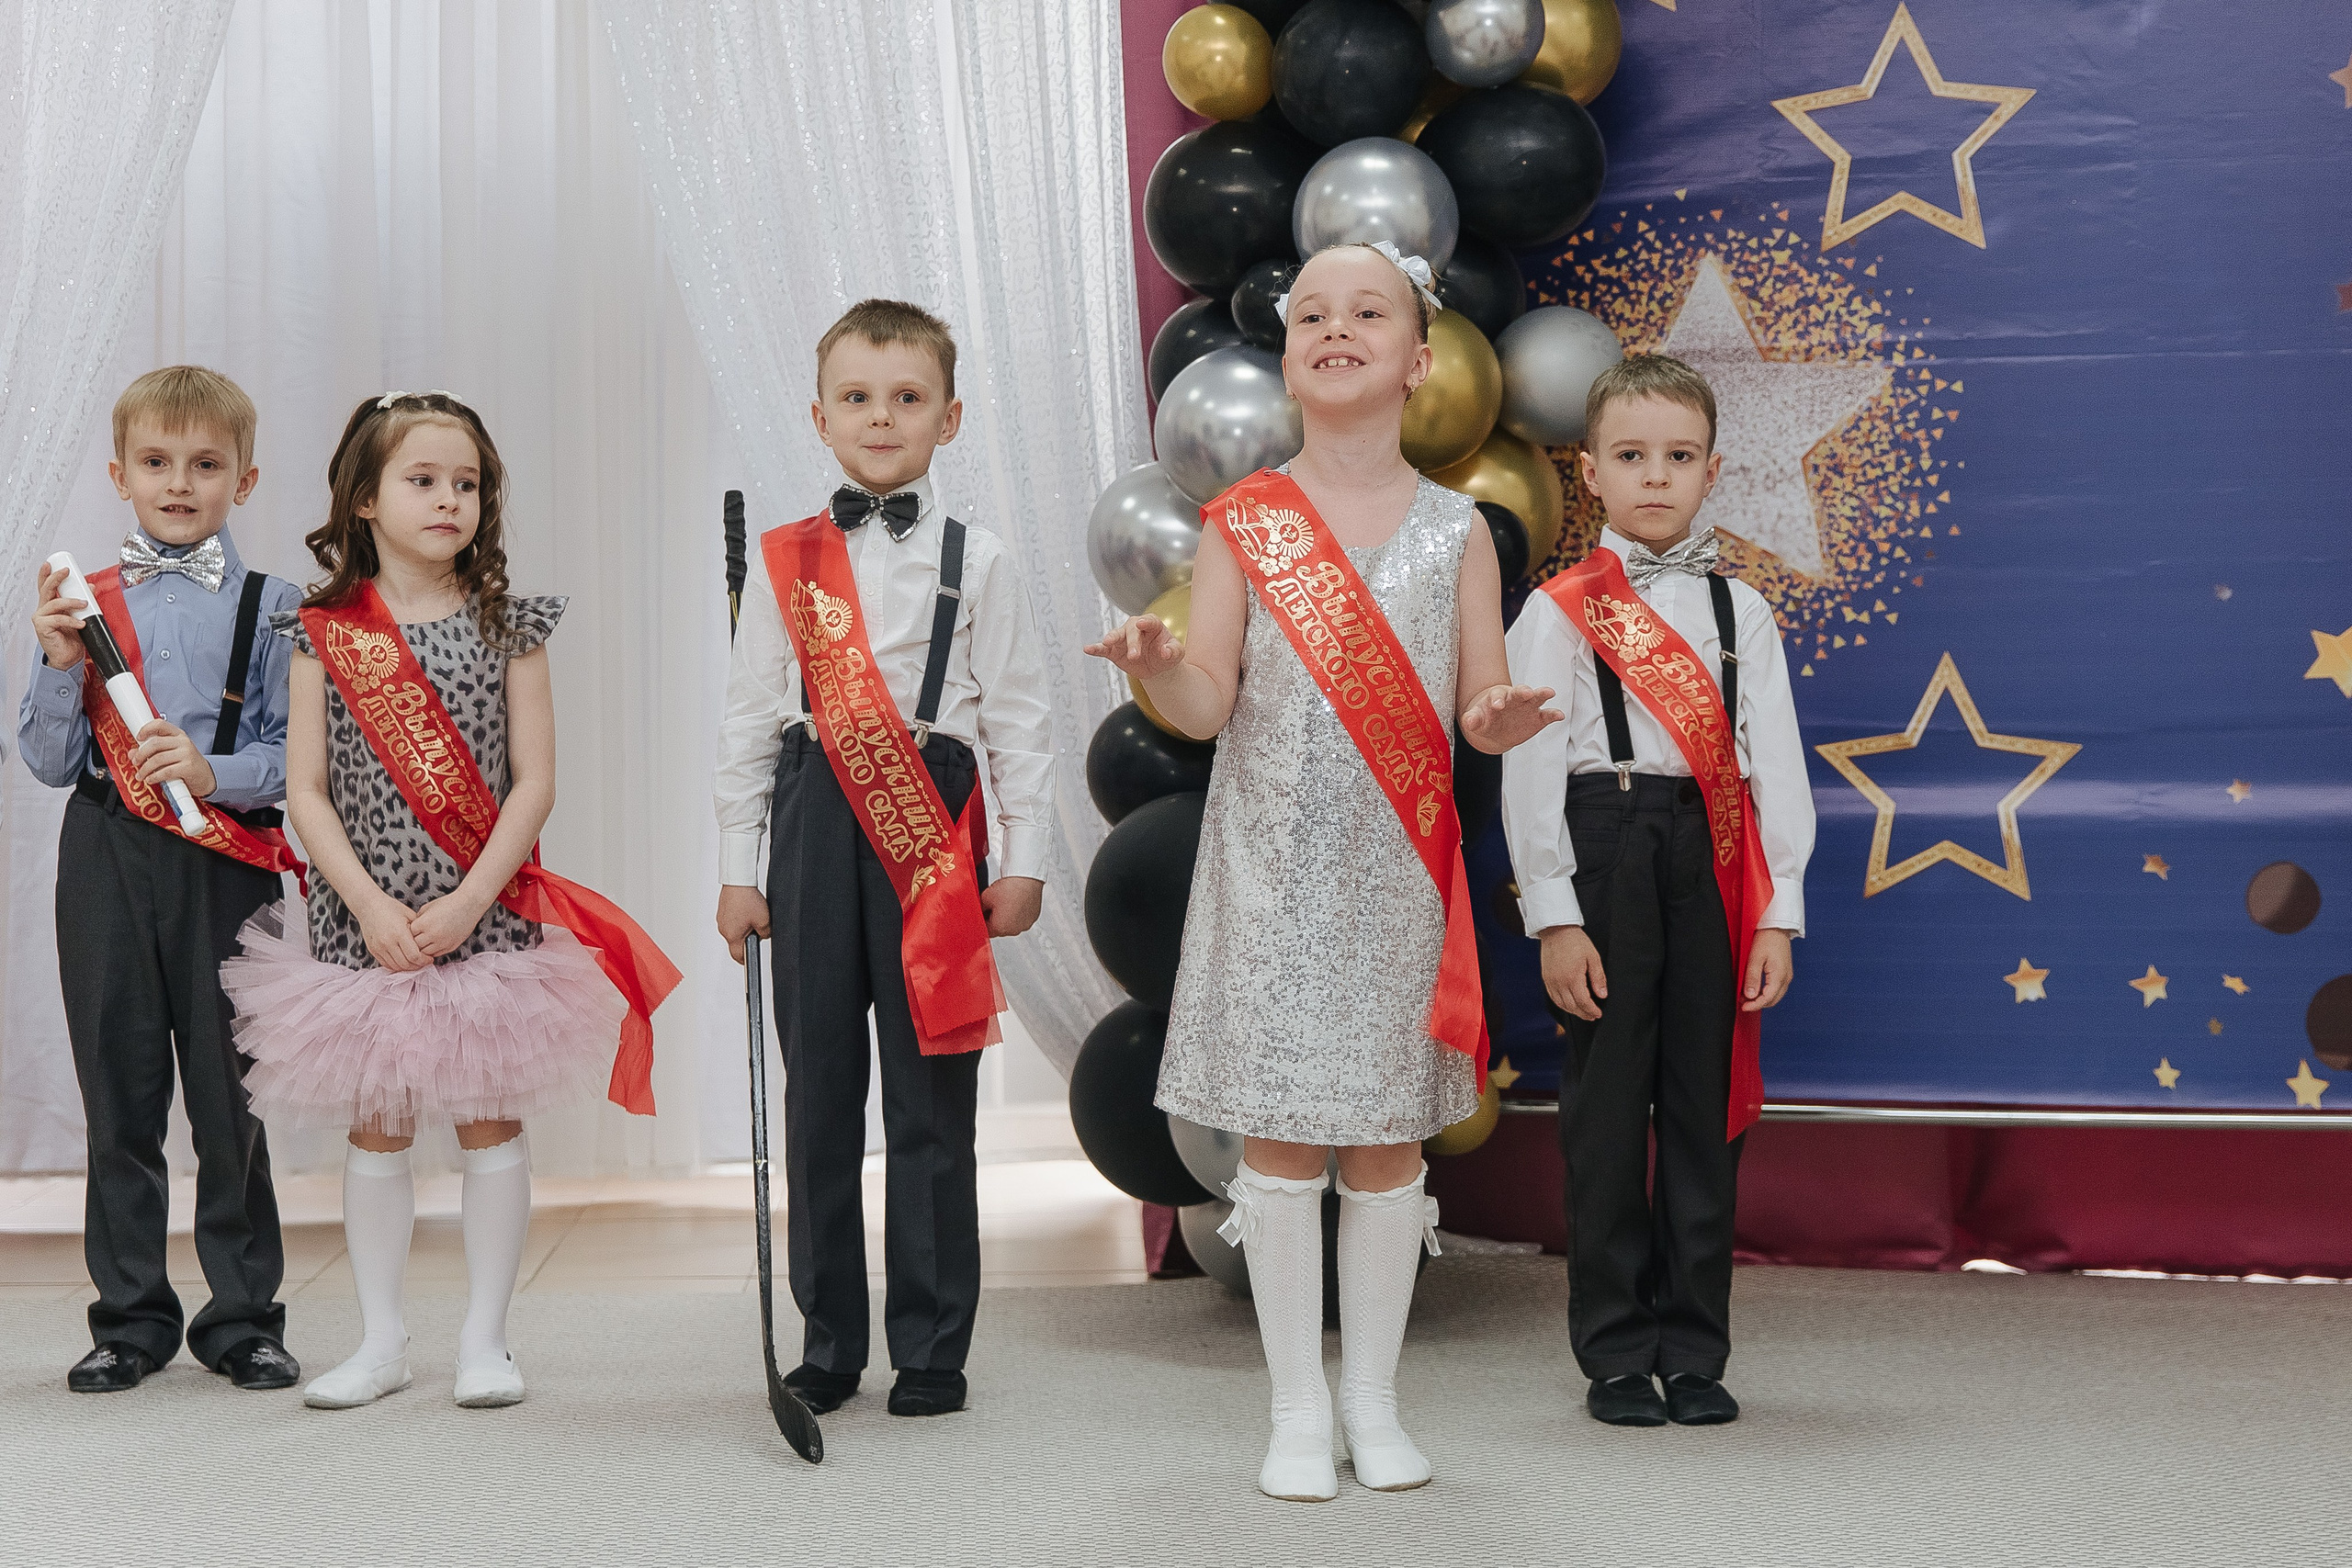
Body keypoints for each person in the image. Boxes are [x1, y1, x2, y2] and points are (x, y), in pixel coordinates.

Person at [1089, 242, 1559, 1501]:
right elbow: (1205, 704)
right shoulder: (1245, 524)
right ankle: (1298, 1405)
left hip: (1397, 877)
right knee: (1286, 1144)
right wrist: (1155, 659)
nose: (1336, 328)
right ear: (1287, 357)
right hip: (1274, 874)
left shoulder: (1459, 530)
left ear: (1420, 360)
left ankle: (1376, 1397)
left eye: (1369, 312)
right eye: (1311, 315)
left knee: (1390, 1147)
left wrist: (1501, 720)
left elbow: (1478, 698)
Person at [219, 390, 676, 1411]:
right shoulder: (323, 631)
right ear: (366, 500)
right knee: (376, 1125)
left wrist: (469, 901)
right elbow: (304, 790)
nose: (448, 500)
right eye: (423, 481)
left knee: (486, 1119)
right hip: (360, 924)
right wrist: (371, 905)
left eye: (466, 483)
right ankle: (381, 1340)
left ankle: (486, 1341)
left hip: (485, 919)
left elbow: (535, 782)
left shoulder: (510, 623)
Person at [714, 299, 1053, 1420]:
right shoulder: (787, 559)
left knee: (929, 1099)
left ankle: (932, 1346)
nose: (880, 417)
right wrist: (738, 865)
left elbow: (1018, 721)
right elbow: (751, 721)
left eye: (907, 398)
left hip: (932, 831)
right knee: (820, 1095)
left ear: (947, 420)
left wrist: (1026, 857)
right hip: (815, 819)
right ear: (819, 417)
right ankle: (828, 1341)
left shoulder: (983, 559)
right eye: (857, 397)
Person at [1499, 353, 1815, 1428]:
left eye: (1678, 457)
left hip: (1710, 856)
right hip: (1606, 844)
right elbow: (1531, 772)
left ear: (1713, 470)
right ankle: (1615, 1350)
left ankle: (1694, 1346)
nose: (1654, 476)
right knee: (1604, 1108)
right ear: (1588, 471)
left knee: (1700, 1105)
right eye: (1630, 456)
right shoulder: (1560, 608)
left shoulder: (1742, 616)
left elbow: (1775, 769)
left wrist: (1779, 911)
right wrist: (1553, 914)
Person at [17, 366, 306, 1394]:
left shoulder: (279, 609)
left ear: (246, 478)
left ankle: (243, 1318)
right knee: (119, 1088)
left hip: (227, 862)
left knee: (232, 1098)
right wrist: (57, 666)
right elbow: (51, 763)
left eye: (205, 464)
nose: (179, 482)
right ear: (119, 474)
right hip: (107, 856)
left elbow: (297, 754)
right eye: (156, 463)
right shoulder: (78, 606)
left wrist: (215, 770)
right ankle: (130, 1319)